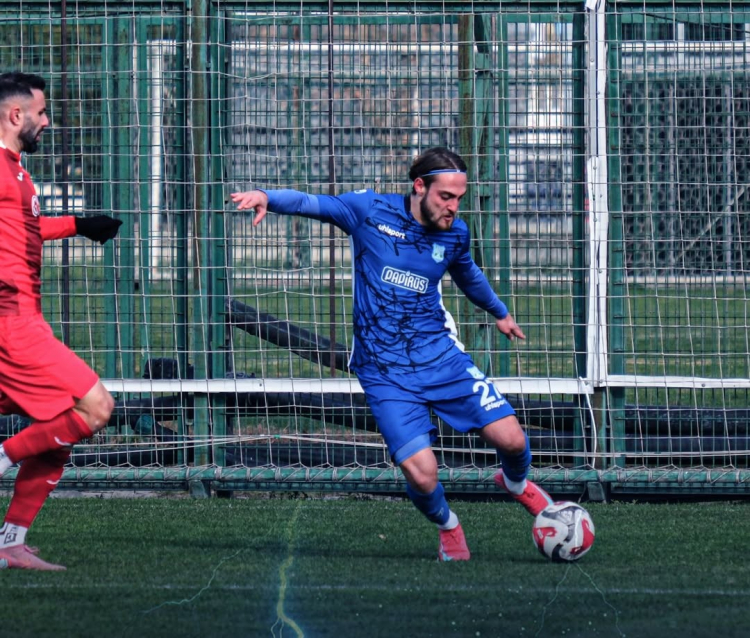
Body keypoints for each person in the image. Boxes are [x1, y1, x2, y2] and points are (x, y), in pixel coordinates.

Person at [231, 147, 553, 561]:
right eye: (446, 197)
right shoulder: (369, 211)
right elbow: (312, 203)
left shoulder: (455, 233)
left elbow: (468, 273)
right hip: (383, 371)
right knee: (423, 476)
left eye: (459, 198)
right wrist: (266, 196)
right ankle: (448, 526)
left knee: (512, 439)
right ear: (419, 186)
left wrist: (500, 312)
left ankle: (515, 484)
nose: (453, 207)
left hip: (439, 356)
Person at [0, 72, 123, 570]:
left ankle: (10, 543)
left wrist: (79, 224)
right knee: (95, 407)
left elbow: (24, 228)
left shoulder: (17, 171)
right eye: (41, 112)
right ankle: (5, 457)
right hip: (13, 325)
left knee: (58, 427)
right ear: (16, 115)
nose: (47, 121)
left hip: (25, 318)